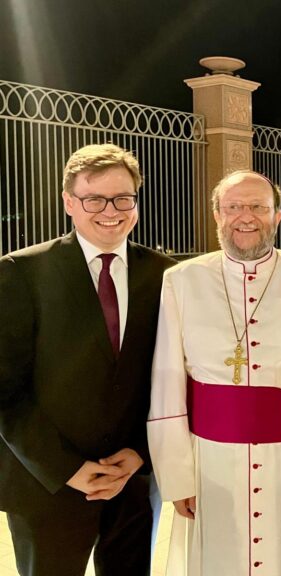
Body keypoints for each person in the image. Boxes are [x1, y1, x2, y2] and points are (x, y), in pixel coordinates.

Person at [147, 170, 281, 576]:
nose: (245, 216)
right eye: (233, 207)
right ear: (217, 214)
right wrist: (177, 477)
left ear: (277, 216)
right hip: (210, 458)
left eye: (258, 207)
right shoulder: (181, 280)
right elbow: (167, 380)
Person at [0, 143, 175, 576]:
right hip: (47, 486)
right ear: (69, 202)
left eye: (122, 198)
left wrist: (140, 452)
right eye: (94, 199)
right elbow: (6, 393)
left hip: (132, 484)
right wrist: (69, 469)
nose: (110, 211)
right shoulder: (21, 271)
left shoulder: (166, 275)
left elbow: (171, 376)